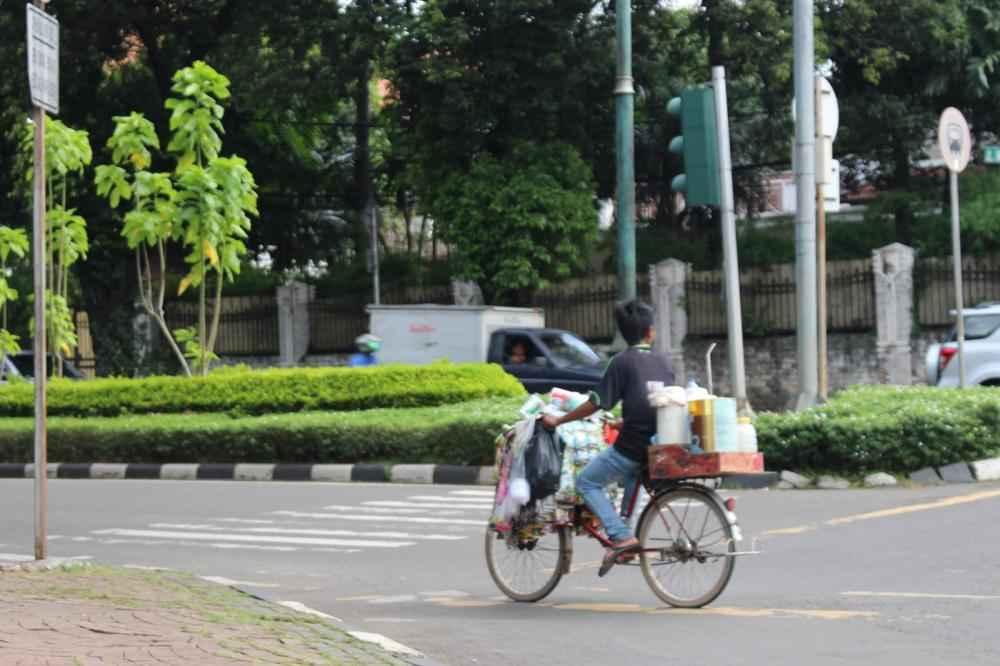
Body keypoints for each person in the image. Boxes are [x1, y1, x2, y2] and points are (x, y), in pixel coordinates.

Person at [542, 299, 674, 577]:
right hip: (660, 443)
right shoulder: (664, 361)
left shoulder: (622, 361)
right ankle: (625, 532)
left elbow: (596, 402)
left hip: (633, 446)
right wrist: (624, 420)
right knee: (630, 478)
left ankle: (620, 536)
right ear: (650, 332)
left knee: (586, 482)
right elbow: (657, 401)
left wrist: (559, 419)